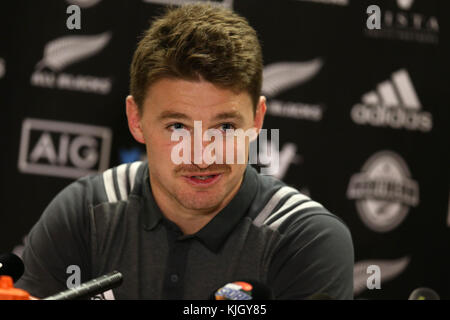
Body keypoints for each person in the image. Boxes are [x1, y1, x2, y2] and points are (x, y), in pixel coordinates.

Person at [16, 3, 354, 300]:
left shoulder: (306, 240)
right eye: (178, 127)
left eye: (224, 128)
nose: (202, 156)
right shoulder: (85, 215)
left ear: (257, 119)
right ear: (136, 120)